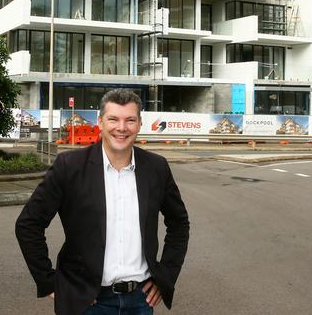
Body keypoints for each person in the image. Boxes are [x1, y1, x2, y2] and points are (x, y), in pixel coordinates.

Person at [16, 89, 189, 315]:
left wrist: (165, 275)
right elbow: (28, 224)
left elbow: (179, 223)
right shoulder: (70, 167)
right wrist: (48, 281)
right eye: (113, 119)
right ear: (100, 122)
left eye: (130, 120)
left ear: (139, 124)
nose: (121, 128)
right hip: (87, 301)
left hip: (140, 302)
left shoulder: (156, 168)